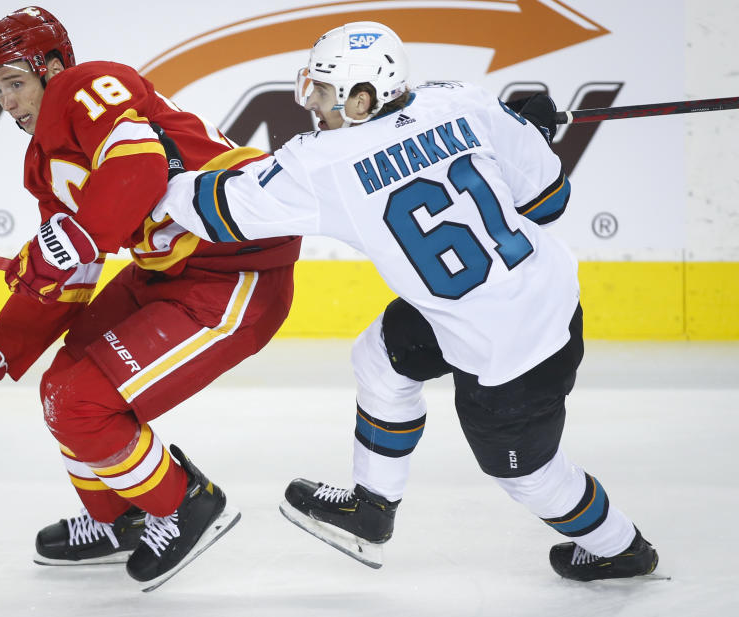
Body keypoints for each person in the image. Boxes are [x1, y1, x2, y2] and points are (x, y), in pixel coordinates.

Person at [153, 21, 658, 581]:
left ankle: (620, 547)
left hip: (513, 356)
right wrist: (523, 135)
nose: (311, 102)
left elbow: (219, 211)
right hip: (537, 299)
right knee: (382, 354)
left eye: (322, 90)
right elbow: (549, 204)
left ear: (361, 99)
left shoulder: (323, 162)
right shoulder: (462, 102)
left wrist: (159, 174)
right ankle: (370, 512)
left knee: (527, 476)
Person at [0, 6, 300, 591]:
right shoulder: (43, 165)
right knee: (59, 387)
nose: (11, 104)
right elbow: (69, 278)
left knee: (81, 404)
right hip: (170, 271)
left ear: (52, 67)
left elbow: (139, 165)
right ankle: (124, 517)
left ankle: (184, 501)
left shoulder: (87, 85)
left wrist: (76, 235)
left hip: (235, 274)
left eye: (16, 82)